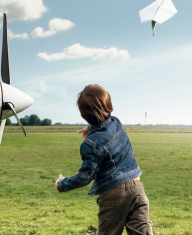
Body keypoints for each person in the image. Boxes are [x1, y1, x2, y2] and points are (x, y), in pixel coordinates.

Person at [55, 84, 153, 235]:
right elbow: (106, 126)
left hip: (113, 195)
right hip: (137, 189)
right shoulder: (117, 123)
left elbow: (84, 177)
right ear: (111, 106)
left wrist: (62, 183)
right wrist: (91, 128)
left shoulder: (90, 144)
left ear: (83, 115)